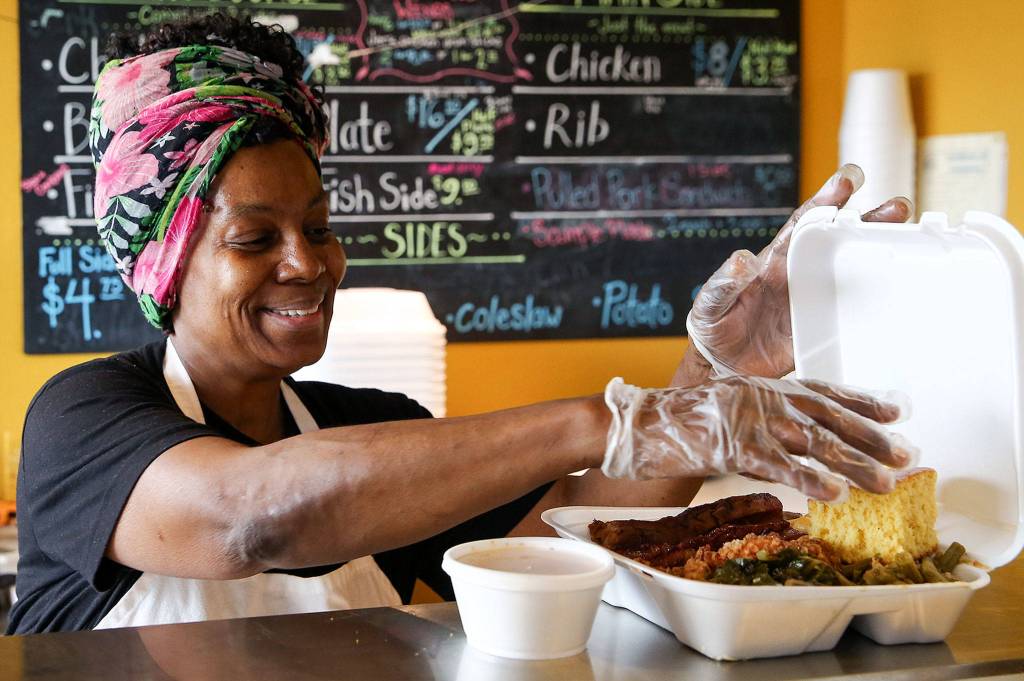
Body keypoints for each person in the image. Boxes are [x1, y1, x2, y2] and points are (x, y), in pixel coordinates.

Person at [7, 14, 916, 635]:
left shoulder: (369, 427)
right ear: (163, 259)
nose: (309, 263)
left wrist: (715, 375)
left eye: (319, 228)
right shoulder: (82, 419)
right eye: (255, 239)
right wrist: (606, 418)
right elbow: (252, 518)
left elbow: (578, 524)